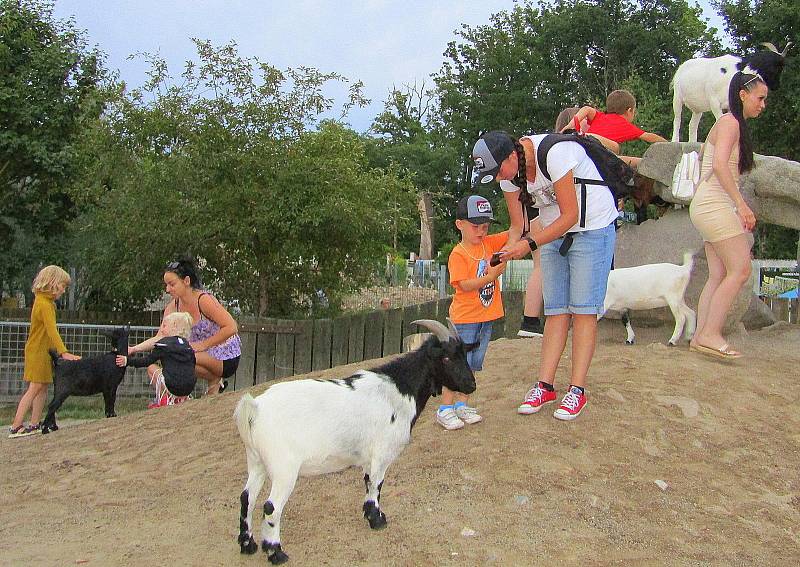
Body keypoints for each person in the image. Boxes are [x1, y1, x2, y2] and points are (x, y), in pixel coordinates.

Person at [472, 129, 617, 421]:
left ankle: (577, 390)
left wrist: (529, 244)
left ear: (512, 155)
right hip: (552, 234)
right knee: (556, 309)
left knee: (583, 310)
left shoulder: (554, 153)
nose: (500, 179)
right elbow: (518, 228)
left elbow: (570, 215)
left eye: (499, 171)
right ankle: (545, 385)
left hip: (592, 227)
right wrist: (502, 255)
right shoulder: (509, 177)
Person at [688, 70, 764, 359]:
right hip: (713, 205)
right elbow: (720, 166)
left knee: (718, 273)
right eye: (760, 98)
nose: (762, 104)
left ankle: (700, 336)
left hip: (707, 205)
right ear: (743, 95)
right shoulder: (730, 122)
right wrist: (741, 206)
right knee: (741, 270)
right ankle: (710, 333)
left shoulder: (729, 123)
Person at [438, 195, 508, 430]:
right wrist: (491, 276)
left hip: (485, 317)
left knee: (472, 365)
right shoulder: (458, 254)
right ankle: (445, 408)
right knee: (457, 363)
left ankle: (462, 404)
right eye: (475, 226)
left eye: (485, 226)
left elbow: (515, 233)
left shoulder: (489, 243)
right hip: (465, 319)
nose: (481, 231)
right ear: (460, 224)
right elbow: (463, 284)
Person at [130, 258, 241, 395]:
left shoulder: (204, 300)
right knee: (174, 357)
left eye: (172, 284)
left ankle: (180, 395)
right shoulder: (173, 306)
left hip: (225, 356)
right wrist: (134, 349)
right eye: (166, 285)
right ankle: (213, 382)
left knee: (177, 357)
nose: (167, 289)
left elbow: (231, 327)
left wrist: (203, 345)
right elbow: (161, 338)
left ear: (186, 281)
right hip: (196, 354)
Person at [8, 266, 81, 438]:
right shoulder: (44, 304)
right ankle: (16, 425)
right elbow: (52, 331)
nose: (63, 290)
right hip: (37, 351)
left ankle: (35, 423)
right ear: (53, 284)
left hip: (42, 351)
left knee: (42, 387)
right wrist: (64, 352)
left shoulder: (43, 302)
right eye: (63, 286)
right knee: (35, 387)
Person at [565, 90, 668, 166]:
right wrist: (668, 144)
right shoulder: (626, 126)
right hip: (596, 149)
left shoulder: (600, 116)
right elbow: (649, 136)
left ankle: (582, 135)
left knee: (616, 154)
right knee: (641, 162)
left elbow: (586, 109)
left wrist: (570, 126)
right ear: (629, 111)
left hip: (585, 148)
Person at [117, 312, 196, 408]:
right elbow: (193, 364)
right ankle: (183, 398)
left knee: (151, 367)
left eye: (164, 326)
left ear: (174, 326)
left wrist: (127, 361)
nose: (161, 330)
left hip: (174, 387)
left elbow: (147, 361)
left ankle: (165, 400)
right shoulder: (187, 346)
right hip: (189, 387)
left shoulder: (163, 344)